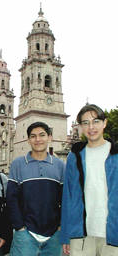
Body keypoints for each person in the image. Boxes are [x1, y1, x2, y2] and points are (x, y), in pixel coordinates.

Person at [60, 104, 118, 256]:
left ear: (105, 123)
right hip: (81, 235)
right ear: (80, 126)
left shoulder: (116, 154)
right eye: (85, 123)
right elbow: (68, 196)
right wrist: (66, 234)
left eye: (96, 121)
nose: (91, 127)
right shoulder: (75, 156)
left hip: (113, 233)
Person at [7, 121, 65, 256]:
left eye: (42, 135)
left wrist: (61, 226)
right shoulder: (18, 164)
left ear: (49, 137)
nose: (37, 139)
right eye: (33, 136)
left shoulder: (60, 165)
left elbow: (65, 199)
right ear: (28, 140)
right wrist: (19, 227)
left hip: (54, 235)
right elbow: (11, 198)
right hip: (25, 235)